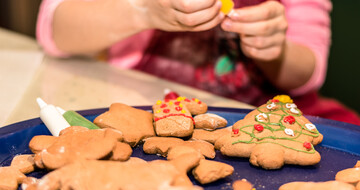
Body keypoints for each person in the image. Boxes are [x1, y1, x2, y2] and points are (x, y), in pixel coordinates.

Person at [36, 0, 360, 125]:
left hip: (269, 111)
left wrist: (276, 50)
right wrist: (143, 11)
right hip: (149, 110)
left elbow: (308, 74)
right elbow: (55, 31)